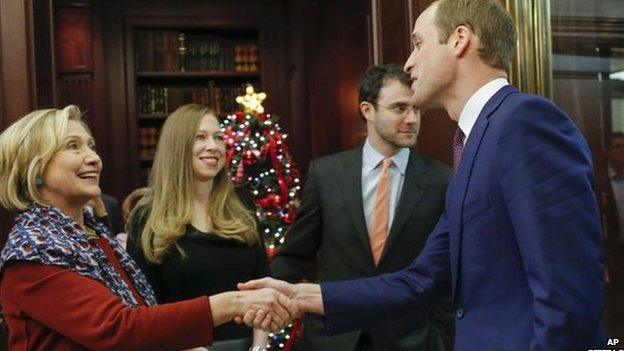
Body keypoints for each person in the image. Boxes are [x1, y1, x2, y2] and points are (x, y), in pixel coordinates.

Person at [238, 0, 605, 349]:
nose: (410, 63)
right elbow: (421, 281)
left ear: (460, 39)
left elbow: (569, 300)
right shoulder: (474, 143)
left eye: (418, 44)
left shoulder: (525, 122)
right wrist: (301, 296)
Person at [0, 105, 296, 351]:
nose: (93, 158)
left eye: (91, 146)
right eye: (72, 147)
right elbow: (119, 328)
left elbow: (143, 315)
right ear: (34, 169)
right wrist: (234, 302)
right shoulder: (34, 250)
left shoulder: (92, 236)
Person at [270, 64, 452, 351]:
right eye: (399, 108)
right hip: (333, 339)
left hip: (411, 340)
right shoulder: (326, 174)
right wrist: (272, 302)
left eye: (416, 109)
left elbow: (448, 269)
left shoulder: (442, 180)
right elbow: (294, 257)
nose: (412, 119)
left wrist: (438, 333)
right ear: (367, 110)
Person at [126, 104, 271, 350]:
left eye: (218, 137)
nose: (213, 146)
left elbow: (262, 286)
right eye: (200, 137)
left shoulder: (242, 204)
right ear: (177, 147)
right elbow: (141, 304)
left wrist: (259, 348)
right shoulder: (147, 216)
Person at [604, 132, 624, 336]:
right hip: (612, 251)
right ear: (608, 152)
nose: (622, 150)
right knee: (614, 301)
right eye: (617, 146)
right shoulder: (600, 182)